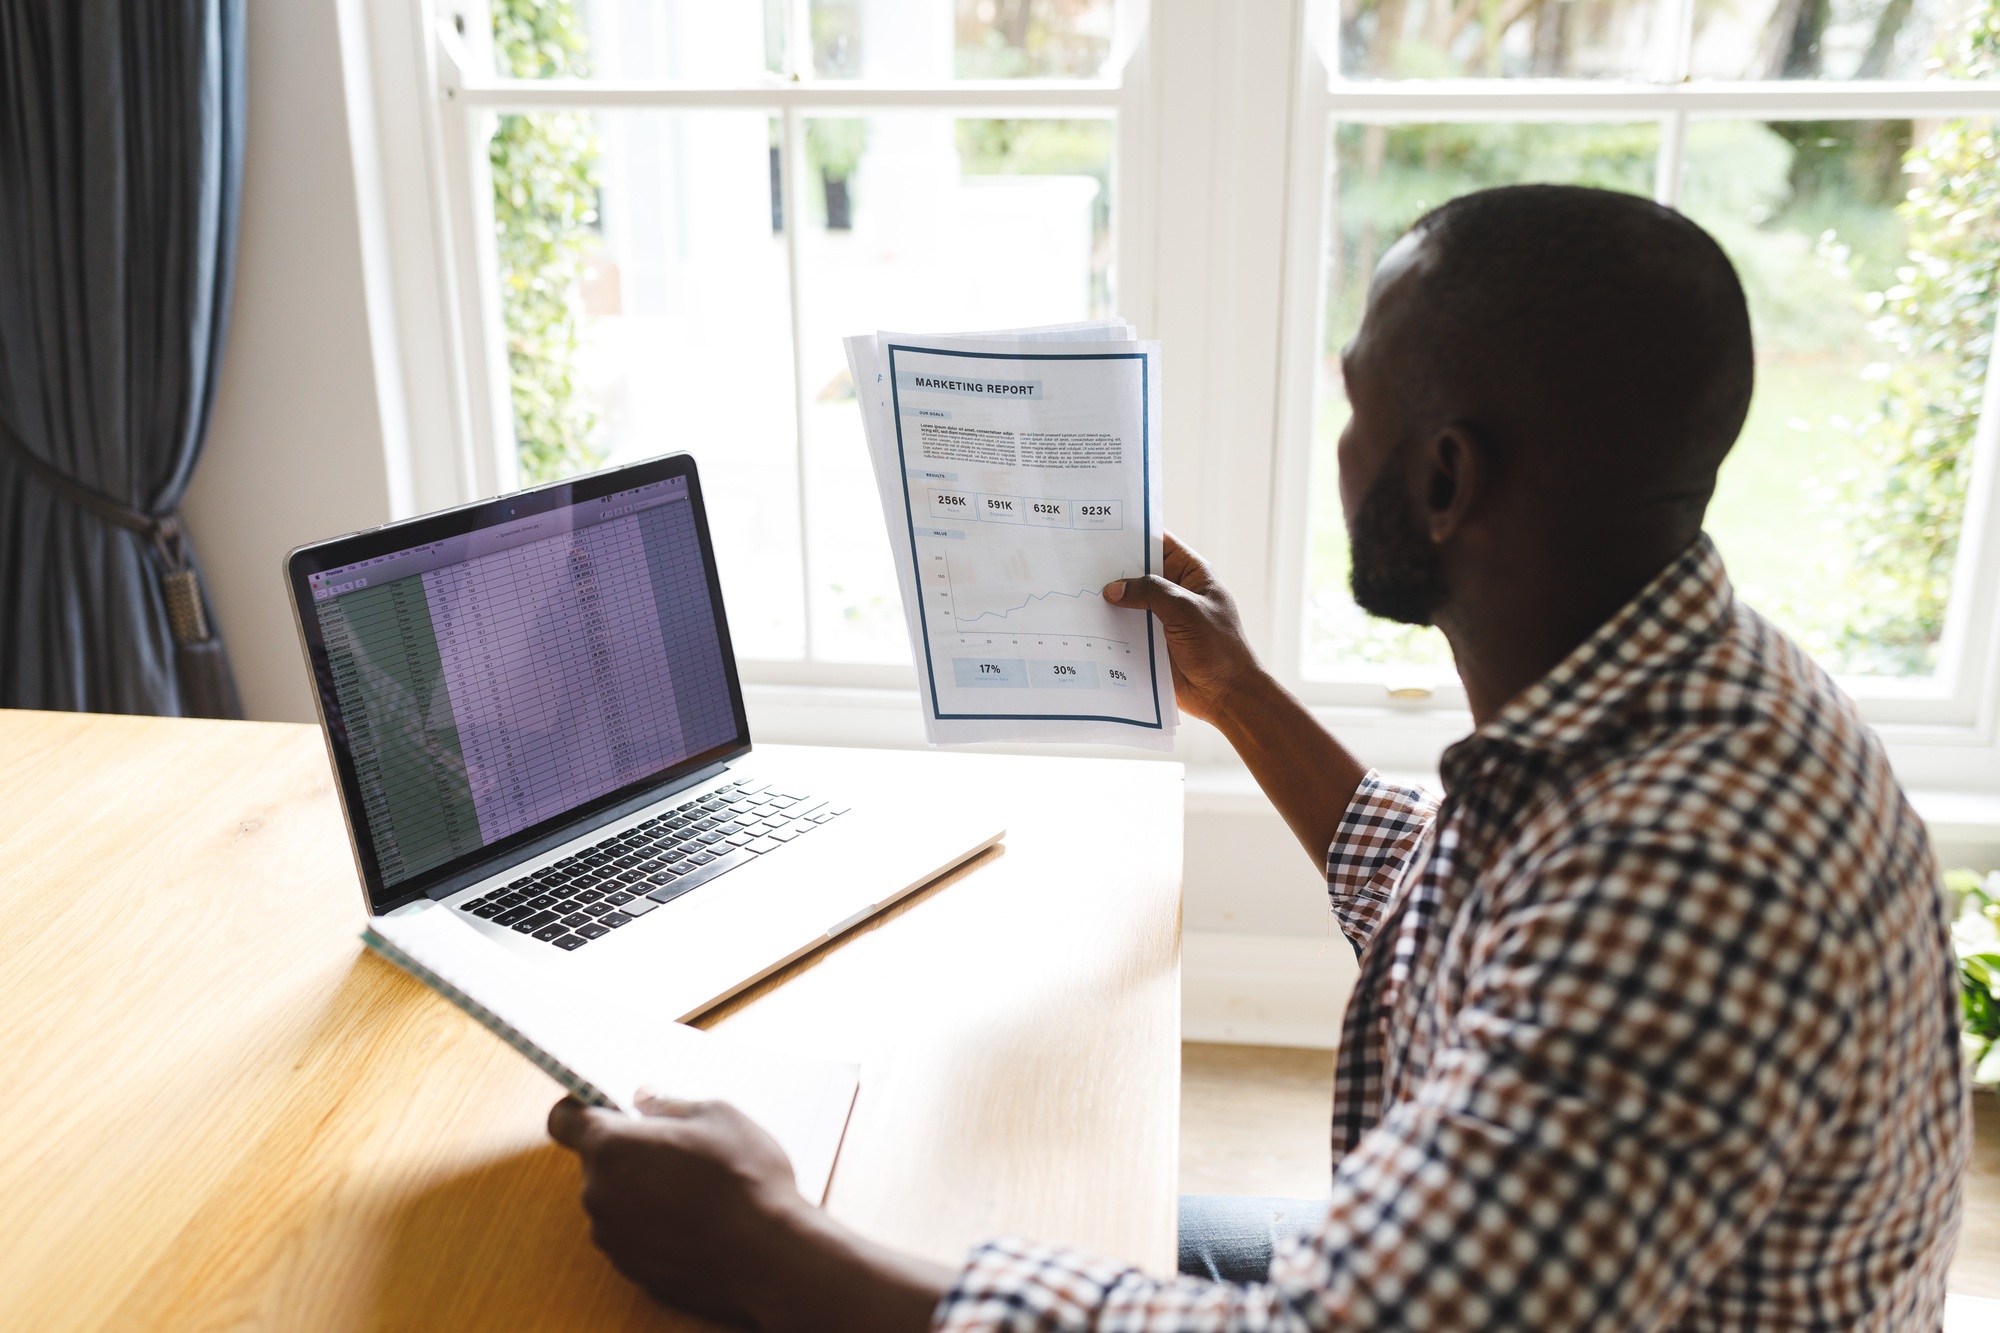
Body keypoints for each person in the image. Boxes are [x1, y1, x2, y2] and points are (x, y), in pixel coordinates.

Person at [546, 184, 1968, 1331]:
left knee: (840, 1259)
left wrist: (772, 1249)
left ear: (1445, 477)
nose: (1341, 446)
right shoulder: (1673, 690)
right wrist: (1237, 693)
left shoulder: (1689, 880)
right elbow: (1470, 907)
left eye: (1359, 408)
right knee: (964, 1217)